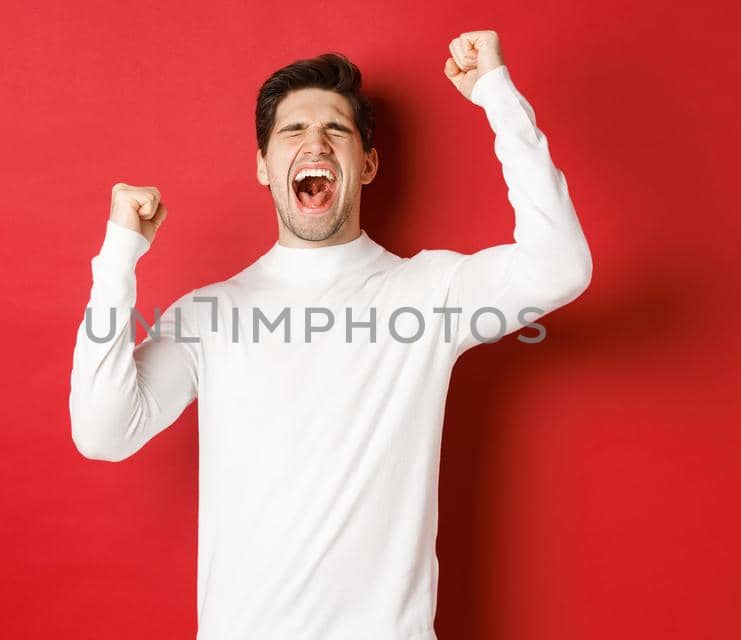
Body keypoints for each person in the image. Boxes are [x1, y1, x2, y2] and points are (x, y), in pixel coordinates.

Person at [69, 30, 593, 640]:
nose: (314, 140)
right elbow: (102, 432)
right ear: (264, 166)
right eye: (292, 131)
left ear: (366, 164)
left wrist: (497, 96)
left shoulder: (428, 295)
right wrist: (117, 257)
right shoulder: (210, 314)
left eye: (336, 130)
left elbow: (561, 266)